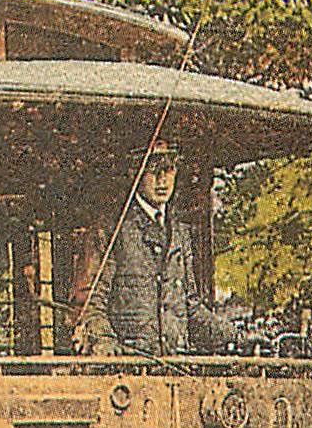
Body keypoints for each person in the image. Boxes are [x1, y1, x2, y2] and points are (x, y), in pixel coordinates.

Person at [78, 140, 238, 358]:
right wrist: (104, 340)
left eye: (169, 170)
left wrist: (236, 335)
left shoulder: (180, 233)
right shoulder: (112, 230)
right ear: (137, 174)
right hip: (128, 367)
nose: (162, 180)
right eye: (153, 171)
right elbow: (89, 303)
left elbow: (191, 308)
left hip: (176, 363)